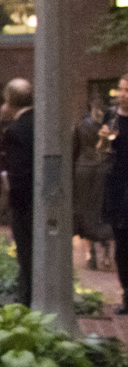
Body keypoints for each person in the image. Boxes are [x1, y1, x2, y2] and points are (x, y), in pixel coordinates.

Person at [0, 79, 35, 305]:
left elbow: (19, 172)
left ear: (9, 100)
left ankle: (26, 300)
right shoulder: (43, 122)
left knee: (26, 254)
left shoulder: (16, 130)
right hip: (42, 198)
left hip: (24, 202)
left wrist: (14, 202)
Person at [99, 76, 128, 312]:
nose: (123, 94)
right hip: (118, 184)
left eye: (127, 90)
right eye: (121, 89)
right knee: (122, 242)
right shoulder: (112, 116)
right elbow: (102, 151)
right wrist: (102, 141)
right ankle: (126, 294)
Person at [74, 104, 113, 271]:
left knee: (85, 212)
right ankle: (106, 251)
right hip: (104, 169)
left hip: (83, 172)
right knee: (103, 211)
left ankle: (90, 253)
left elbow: (74, 151)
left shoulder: (80, 127)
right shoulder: (110, 127)